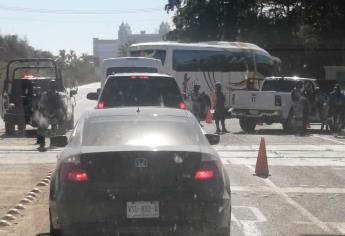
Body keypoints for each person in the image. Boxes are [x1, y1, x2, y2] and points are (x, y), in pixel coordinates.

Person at [36, 80, 67, 150]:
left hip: (47, 114)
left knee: (43, 129)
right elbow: (62, 105)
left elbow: (41, 104)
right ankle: (52, 143)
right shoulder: (58, 94)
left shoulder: (45, 94)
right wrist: (64, 113)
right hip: (54, 114)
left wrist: (41, 112)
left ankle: (42, 143)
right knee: (54, 129)